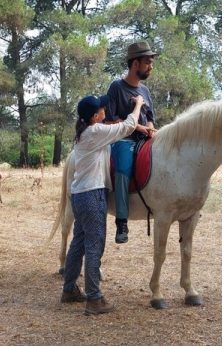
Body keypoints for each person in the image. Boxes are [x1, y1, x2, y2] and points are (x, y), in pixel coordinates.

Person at [60, 94, 144, 315]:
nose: (105, 109)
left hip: (79, 194)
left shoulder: (85, 132)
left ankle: (69, 289)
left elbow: (114, 129)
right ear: (95, 116)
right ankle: (94, 299)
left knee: (78, 243)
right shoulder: (95, 132)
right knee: (94, 246)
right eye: (102, 109)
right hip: (92, 195)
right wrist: (138, 105)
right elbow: (127, 126)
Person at [105, 41, 158, 244]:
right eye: (147, 62)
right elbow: (111, 119)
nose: (150, 66)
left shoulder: (145, 91)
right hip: (123, 139)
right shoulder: (117, 87)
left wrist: (151, 130)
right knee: (123, 168)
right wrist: (137, 128)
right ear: (135, 64)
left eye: (151, 62)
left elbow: (150, 117)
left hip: (147, 138)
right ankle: (121, 221)